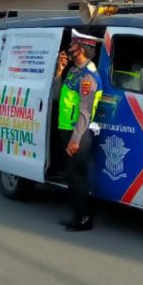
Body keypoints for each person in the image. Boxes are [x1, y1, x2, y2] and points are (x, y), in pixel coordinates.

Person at [54, 30, 102, 232]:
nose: (69, 48)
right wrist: (59, 72)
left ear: (81, 49)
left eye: (73, 45)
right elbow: (58, 96)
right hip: (66, 129)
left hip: (79, 134)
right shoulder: (74, 71)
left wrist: (75, 139)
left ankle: (84, 219)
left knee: (79, 178)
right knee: (71, 177)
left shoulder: (88, 77)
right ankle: (76, 215)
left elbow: (85, 112)